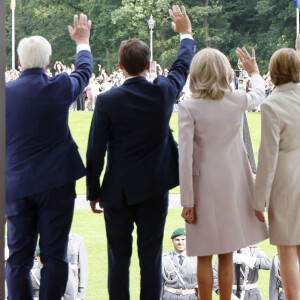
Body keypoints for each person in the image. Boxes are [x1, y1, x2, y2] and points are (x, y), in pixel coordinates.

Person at [86, 5, 197, 300]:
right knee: (150, 259)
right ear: (148, 65)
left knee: (118, 261)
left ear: (120, 66)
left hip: (118, 192)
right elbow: (181, 67)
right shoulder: (161, 92)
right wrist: (185, 33)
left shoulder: (107, 101)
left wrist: (93, 191)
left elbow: (95, 150)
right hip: (153, 188)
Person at [5, 14, 93, 300]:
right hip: (56, 182)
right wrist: (82, 42)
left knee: (18, 258)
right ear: (48, 62)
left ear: (19, 63)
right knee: (55, 255)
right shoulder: (58, 86)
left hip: (17, 186)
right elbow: (84, 71)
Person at [178, 47, 268, 300]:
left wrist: (187, 201)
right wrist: (255, 72)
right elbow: (259, 94)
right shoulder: (237, 99)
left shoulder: (188, 107)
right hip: (232, 185)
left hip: (201, 186)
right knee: (227, 253)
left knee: (204, 256)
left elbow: (184, 158)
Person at [254, 37, 300, 300]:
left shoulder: (272, 104)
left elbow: (268, 156)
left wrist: (258, 200)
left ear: (273, 72)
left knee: (287, 252)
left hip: (286, 183)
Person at [161, 227, 198, 300]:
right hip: (169, 297)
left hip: (191, 297)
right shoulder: (163, 259)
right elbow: (159, 284)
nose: (180, 242)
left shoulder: (197, 259)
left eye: (183, 239)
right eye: (177, 240)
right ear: (172, 241)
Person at [66, 233, 88, 300]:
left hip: (73, 290)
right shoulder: (47, 239)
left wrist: (81, 296)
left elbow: (83, 269)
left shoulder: (78, 240)